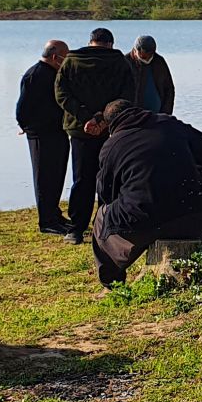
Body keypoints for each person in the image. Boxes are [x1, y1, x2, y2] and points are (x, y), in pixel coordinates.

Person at [92, 100, 202, 286]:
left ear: (111, 125)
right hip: (194, 215)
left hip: (142, 220)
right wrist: (201, 184)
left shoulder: (112, 145)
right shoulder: (170, 124)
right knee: (190, 199)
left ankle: (112, 282)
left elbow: (105, 192)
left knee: (102, 217)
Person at [54, 27, 136, 244]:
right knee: (110, 178)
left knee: (81, 179)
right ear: (110, 43)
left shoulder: (71, 61)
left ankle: (76, 229)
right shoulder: (120, 63)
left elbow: (61, 94)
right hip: (111, 129)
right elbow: (127, 96)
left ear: (90, 42)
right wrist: (102, 119)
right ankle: (107, 225)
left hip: (80, 130)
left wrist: (85, 117)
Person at [16, 40, 71, 234]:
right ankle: (46, 222)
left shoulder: (55, 73)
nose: (68, 59)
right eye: (66, 55)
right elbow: (22, 108)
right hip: (41, 134)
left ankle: (55, 215)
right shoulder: (34, 75)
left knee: (57, 175)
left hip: (58, 132)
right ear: (55, 57)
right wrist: (25, 126)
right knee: (44, 177)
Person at [126, 35, 175, 114]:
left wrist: (166, 113)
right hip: (135, 116)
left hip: (158, 116)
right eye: (144, 56)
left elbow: (169, 88)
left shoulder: (159, 61)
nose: (148, 58)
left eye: (150, 55)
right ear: (136, 51)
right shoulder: (126, 62)